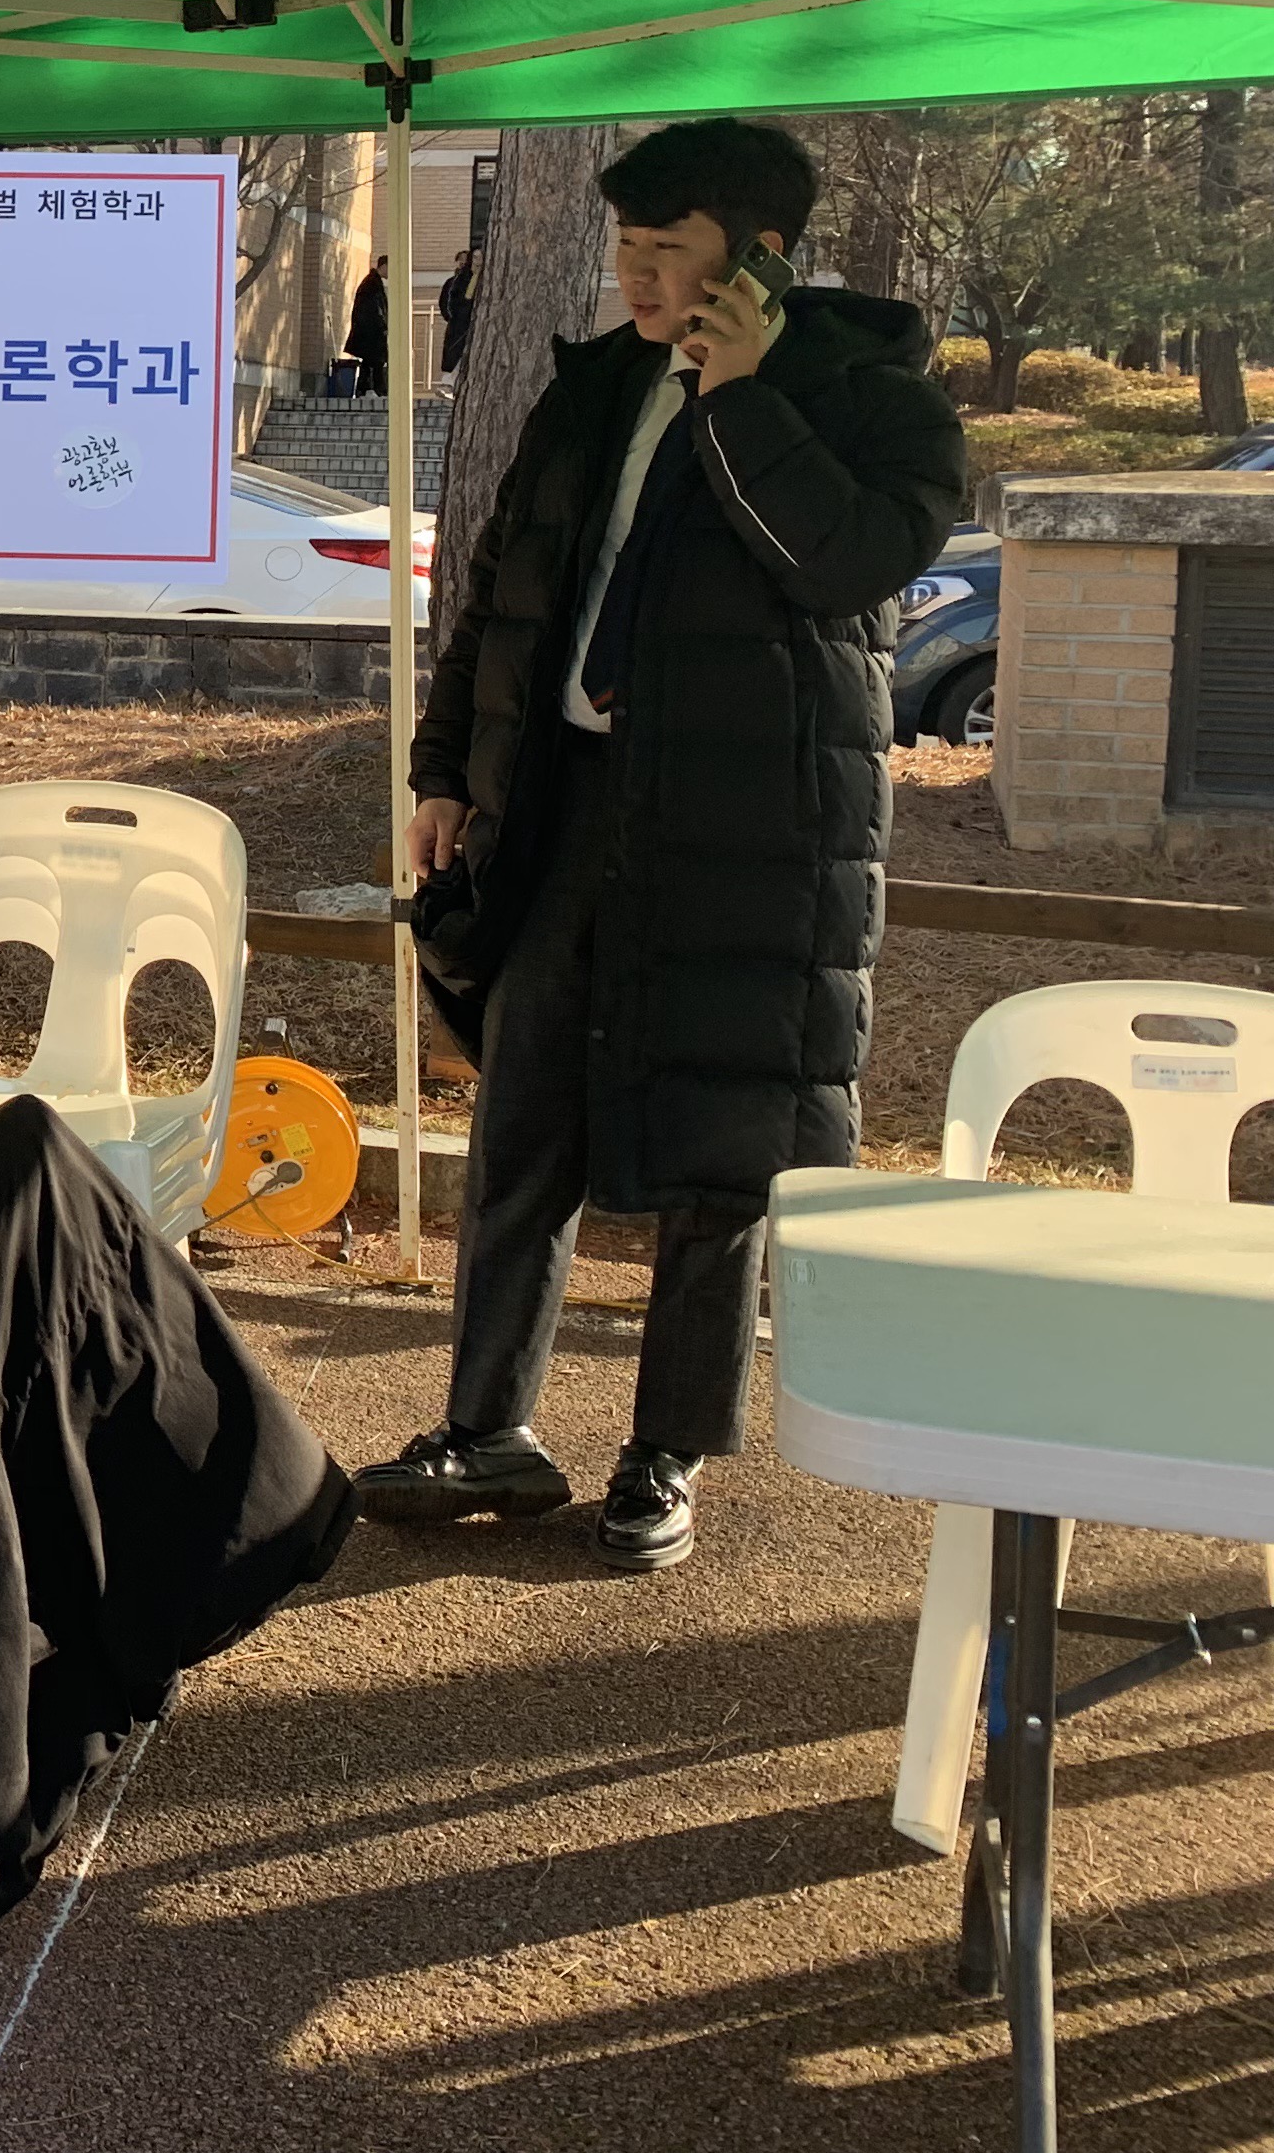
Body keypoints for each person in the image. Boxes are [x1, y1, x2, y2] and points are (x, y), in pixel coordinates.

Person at [368, 120, 965, 1571]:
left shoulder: (878, 399)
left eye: (666, 253)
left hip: (752, 832)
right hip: (564, 805)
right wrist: (446, 770)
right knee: (523, 1124)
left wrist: (747, 398)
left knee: (721, 1154)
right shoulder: (595, 391)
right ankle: (486, 1425)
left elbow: (845, 565)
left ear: (756, 255)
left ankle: (666, 1451)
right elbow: (503, 591)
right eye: (623, 250)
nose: (634, 278)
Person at [342, 262, 396, 397]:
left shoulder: (372, 283)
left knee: (370, 362)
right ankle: (374, 389)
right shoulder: (372, 285)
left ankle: (366, 389)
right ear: (384, 266)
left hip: (369, 332)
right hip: (371, 333)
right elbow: (373, 309)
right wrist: (382, 325)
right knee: (375, 361)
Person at [437, 248, 477, 377]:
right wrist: (452, 317)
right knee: (454, 352)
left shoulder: (473, 280)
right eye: (460, 260)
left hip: (465, 323)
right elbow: (445, 302)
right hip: (458, 324)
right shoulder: (452, 282)